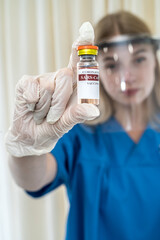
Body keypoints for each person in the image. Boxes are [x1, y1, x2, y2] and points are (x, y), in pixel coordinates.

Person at [5, 10, 160, 240]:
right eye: (111, 65)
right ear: (95, 71)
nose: (127, 76)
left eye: (138, 59)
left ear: (155, 60)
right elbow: (33, 179)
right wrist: (26, 149)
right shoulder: (79, 131)